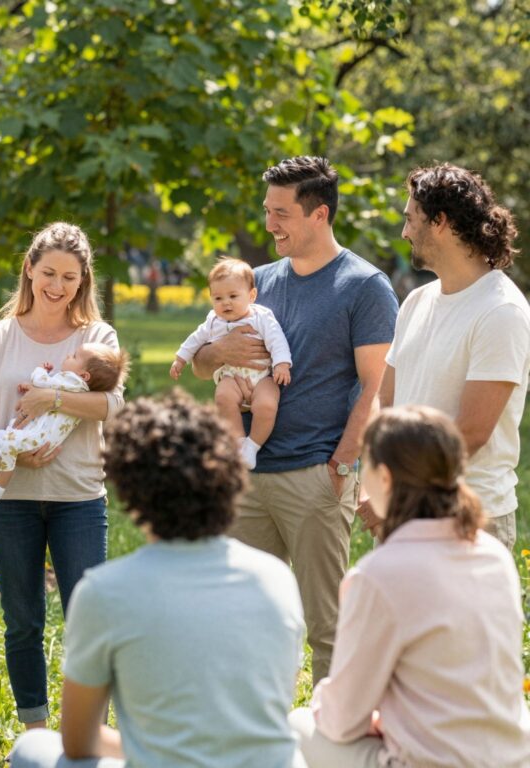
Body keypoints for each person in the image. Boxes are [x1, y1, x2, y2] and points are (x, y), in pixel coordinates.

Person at [10, 390, 306, 767]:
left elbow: (78, 742)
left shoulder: (105, 591)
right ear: (229, 480)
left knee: (30, 750)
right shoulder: (276, 577)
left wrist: (147, 748)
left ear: (130, 492)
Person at [191, 156, 398, 684]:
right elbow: (200, 362)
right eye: (267, 210)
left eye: (281, 213)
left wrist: (345, 460)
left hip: (315, 474)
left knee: (326, 624)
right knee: (240, 617)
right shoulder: (254, 283)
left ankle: (336, 740)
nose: (269, 225)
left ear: (319, 214)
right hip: (248, 475)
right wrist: (216, 353)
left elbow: (377, 384)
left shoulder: (364, 286)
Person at [290, 406, 530, 768]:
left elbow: (341, 720)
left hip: (429, 761)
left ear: (384, 478)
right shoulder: (494, 556)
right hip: (510, 755)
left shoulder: (379, 575)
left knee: (298, 725)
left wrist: (376, 717)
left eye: (364, 466)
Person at [0, 222, 125, 728]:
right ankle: (35, 730)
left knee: (87, 618)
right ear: (29, 270)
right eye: (48, 272)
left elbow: (113, 406)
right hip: (11, 501)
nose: (57, 285)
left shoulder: (96, 337)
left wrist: (51, 397)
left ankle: (89, 731)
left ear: (83, 280)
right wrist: (6, 450)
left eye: (69, 277)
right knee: (23, 621)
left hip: (78, 497)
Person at [380, 163, 530, 550]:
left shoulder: (500, 310)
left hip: (470, 519)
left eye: (411, 219)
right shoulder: (415, 301)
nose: (405, 232)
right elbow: (387, 404)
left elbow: (472, 432)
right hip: (404, 508)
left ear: (440, 222)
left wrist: (399, 489)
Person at [0, 343, 130, 509]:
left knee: (7, 445)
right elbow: (45, 392)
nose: (68, 356)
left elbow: (41, 383)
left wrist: (41, 371)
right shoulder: (74, 387)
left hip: (41, 439)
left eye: (74, 356)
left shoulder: (73, 381)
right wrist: (34, 390)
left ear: (84, 375)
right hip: (39, 435)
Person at [170, 258, 292, 468]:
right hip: (231, 376)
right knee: (223, 398)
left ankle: (252, 445)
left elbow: (276, 339)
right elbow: (195, 339)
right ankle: (238, 443)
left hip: (262, 375)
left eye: (233, 296)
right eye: (218, 298)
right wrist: (181, 358)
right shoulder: (213, 321)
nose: (226, 303)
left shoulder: (261, 316)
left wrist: (282, 363)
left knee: (267, 404)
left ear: (251, 296)